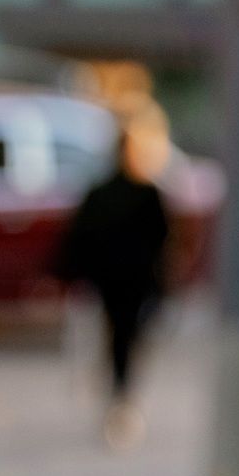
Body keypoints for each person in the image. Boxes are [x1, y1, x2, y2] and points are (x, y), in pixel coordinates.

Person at [57, 111, 175, 448]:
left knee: (119, 338)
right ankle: (120, 397)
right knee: (124, 339)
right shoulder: (142, 193)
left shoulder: (124, 193)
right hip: (124, 283)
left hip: (119, 282)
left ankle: (119, 397)